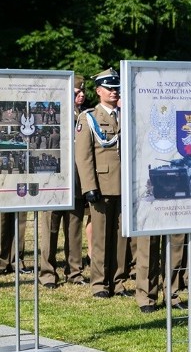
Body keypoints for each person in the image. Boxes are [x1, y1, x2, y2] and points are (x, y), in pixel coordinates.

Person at [75, 68, 130, 298]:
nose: (115, 92)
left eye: (116, 88)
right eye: (110, 88)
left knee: (120, 238)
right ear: (98, 91)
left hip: (123, 184)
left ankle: (117, 281)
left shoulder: (124, 115)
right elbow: (84, 156)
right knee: (100, 237)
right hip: (101, 185)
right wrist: (89, 186)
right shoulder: (89, 117)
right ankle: (99, 283)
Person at [38, 75, 87, 287]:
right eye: (77, 92)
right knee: (50, 228)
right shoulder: (53, 115)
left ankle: (74, 272)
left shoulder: (85, 116)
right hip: (54, 179)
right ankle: (48, 273)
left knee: (74, 229)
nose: (82, 94)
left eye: (83, 91)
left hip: (76, 178)